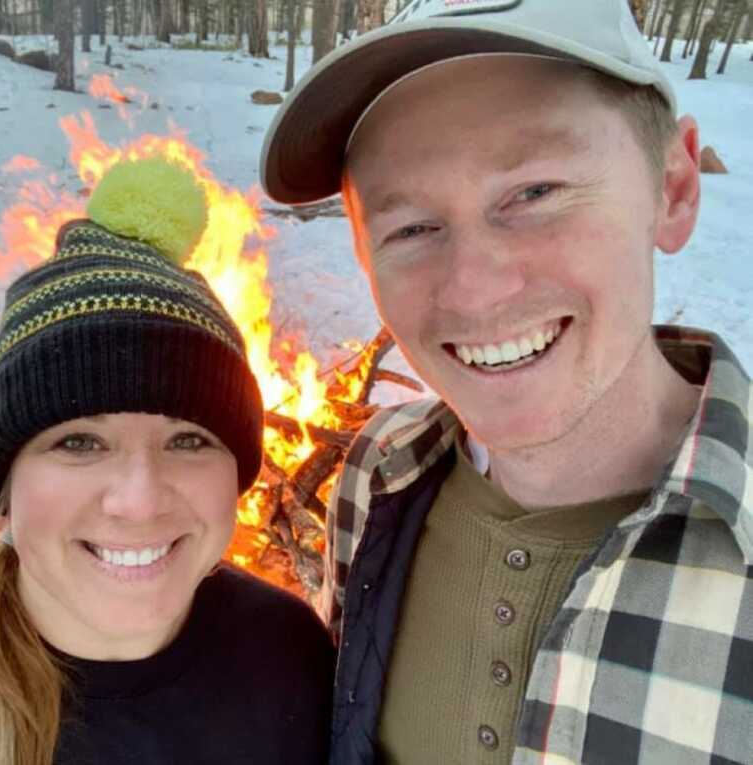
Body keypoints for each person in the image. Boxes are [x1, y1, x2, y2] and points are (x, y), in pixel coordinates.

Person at [260, 0, 753, 763]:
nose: (475, 289)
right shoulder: (380, 474)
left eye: (534, 193)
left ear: (675, 189)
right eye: (412, 228)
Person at [0, 157, 335, 765]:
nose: (139, 500)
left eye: (187, 440)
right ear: (7, 484)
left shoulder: (290, 656)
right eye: (79, 442)